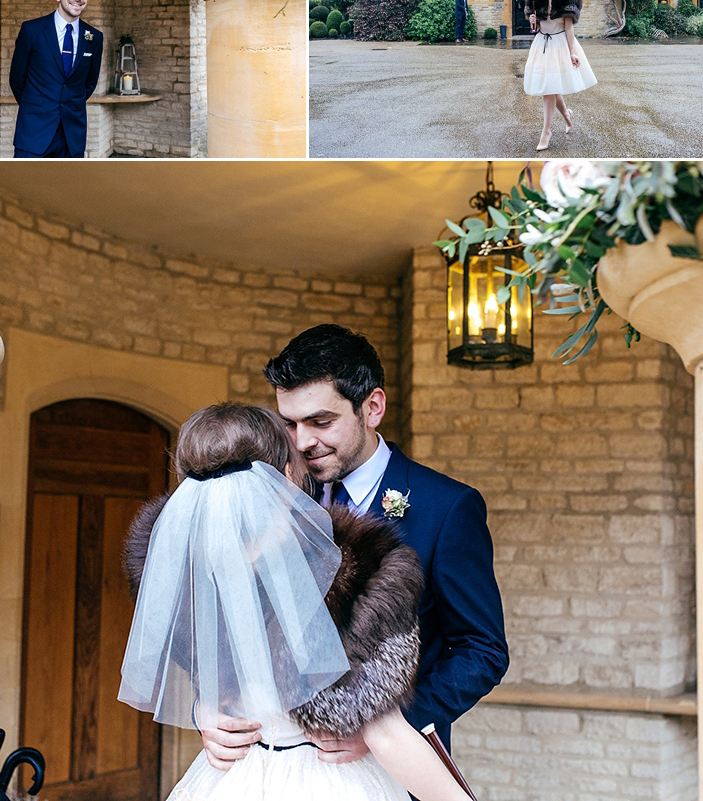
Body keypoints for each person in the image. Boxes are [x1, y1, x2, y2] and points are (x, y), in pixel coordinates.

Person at [120, 402, 479, 801]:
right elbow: (387, 734)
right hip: (329, 783)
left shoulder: (191, 577)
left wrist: (205, 707)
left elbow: (213, 677)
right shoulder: (349, 580)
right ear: (288, 474)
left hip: (230, 783)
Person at [201, 324, 508, 770]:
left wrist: (386, 725)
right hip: (275, 766)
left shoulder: (448, 507)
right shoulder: (272, 500)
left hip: (392, 767)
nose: (303, 442)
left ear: (373, 407)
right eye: (289, 423)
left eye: (321, 421)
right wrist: (208, 710)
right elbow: (227, 626)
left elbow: (482, 650)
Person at [8, 0, 104, 157]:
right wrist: (38, 104)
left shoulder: (94, 37)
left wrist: (70, 103)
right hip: (34, 132)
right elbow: (17, 80)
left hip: (72, 137)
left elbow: (89, 83)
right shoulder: (32, 30)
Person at [523, 0, 597, 152]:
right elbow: (536, 28)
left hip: (559, 45)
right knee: (551, 87)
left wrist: (572, 52)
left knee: (550, 88)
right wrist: (533, 21)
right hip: (542, 45)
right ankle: (567, 115)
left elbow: (569, 28)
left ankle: (546, 131)